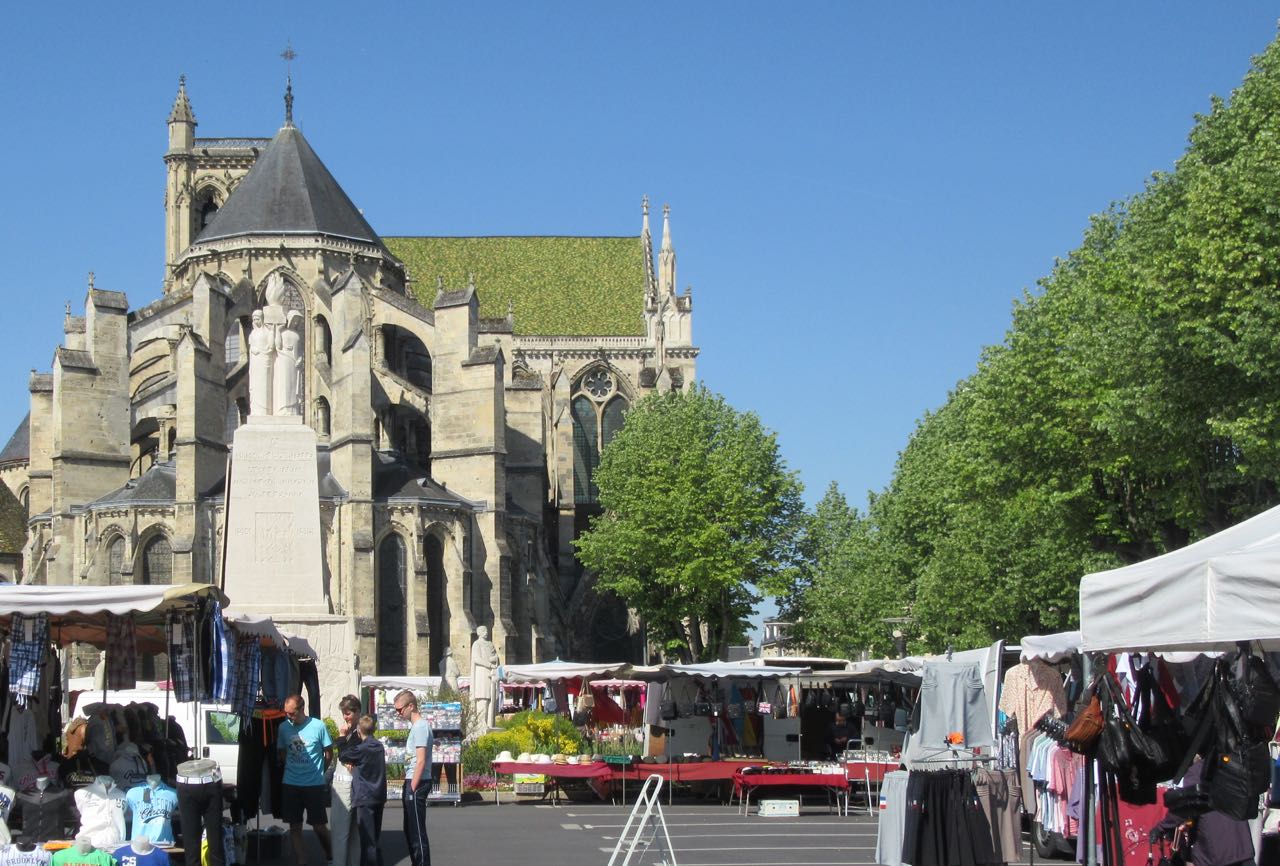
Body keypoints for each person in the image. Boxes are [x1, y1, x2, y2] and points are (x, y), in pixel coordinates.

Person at [277, 695, 333, 866]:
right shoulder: (283, 728)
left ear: (302, 709)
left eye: (292, 713)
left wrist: (320, 771)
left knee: (319, 826)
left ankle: (331, 854)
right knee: (294, 826)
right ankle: (302, 862)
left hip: (313, 784)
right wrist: (291, 768)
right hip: (291, 783)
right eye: (286, 713)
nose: (288, 717)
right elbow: (282, 752)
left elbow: (329, 752)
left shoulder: (318, 726)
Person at [337, 716, 386, 866]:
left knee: (367, 841)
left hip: (364, 797)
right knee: (375, 838)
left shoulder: (361, 749)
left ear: (359, 731)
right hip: (378, 795)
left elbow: (343, 755)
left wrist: (341, 737)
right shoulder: (379, 747)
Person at [396, 690, 432, 866]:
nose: (398, 713)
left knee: (416, 831)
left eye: (400, 709)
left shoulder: (420, 727)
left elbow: (421, 760)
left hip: (417, 782)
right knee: (409, 829)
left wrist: (412, 788)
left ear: (411, 706)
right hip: (412, 780)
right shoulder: (416, 727)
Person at [329, 696, 362, 866]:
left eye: (348, 713)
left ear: (357, 711)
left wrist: (342, 737)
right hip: (352, 783)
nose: (345, 717)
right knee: (353, 832)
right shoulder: (358, 729)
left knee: (340, 832)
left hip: (345, 784)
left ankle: (339, 863)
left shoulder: (358, 732)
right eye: (343, 714)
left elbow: (344, 755)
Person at [469, 626, 501, 731]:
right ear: (479, 633)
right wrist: (489, 664)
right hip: (481, 674)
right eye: (484, 631)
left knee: (491, 698)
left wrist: (495, 659)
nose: (487, 632)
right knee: (483, 698)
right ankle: (481, 724)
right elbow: (476, 659)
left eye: (487, 630)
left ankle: (490, 722)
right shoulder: (476, 644)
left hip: (491, 673)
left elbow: (496, 656)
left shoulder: (490, 644)